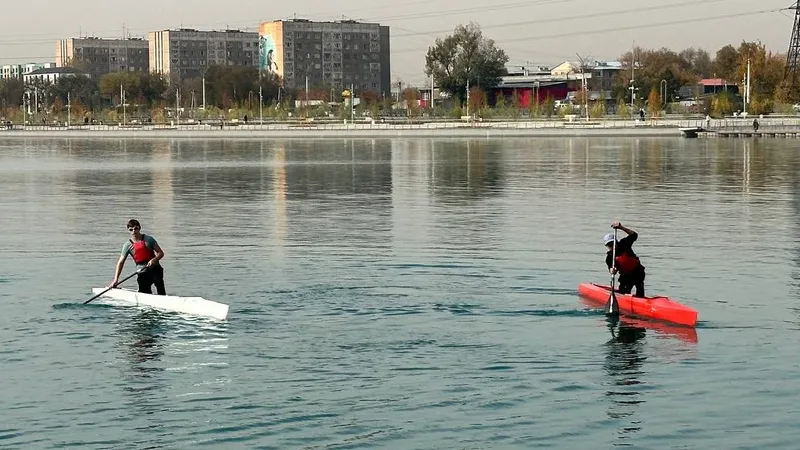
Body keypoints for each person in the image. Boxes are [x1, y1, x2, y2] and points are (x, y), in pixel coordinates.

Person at [110, 219, 166, 295]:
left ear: (139, 228)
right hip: (142, 272)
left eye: (136, 228)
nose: (134, 231)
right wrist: (116, 279)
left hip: (155, 268)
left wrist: (154, 260)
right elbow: (120, 262)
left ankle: (162, 297)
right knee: (144, 291)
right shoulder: (127, 245)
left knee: (159, 283)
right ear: (128, 230)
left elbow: (160, 253)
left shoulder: (149, 240)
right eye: (131, 229)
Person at [604, 222, 646, 298]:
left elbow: (634, 235)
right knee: (624, 291)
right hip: (626, 276)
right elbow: (611, 269)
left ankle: (641, 300)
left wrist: (621, 227)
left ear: (616, 242)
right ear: (607, 246)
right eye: (609, 245)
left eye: (612, 243)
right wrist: (612, 270)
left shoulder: (624, 244)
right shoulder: (609, 257)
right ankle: (624, 299)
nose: (611, 246)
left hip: (638, 272)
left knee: (639, 288)